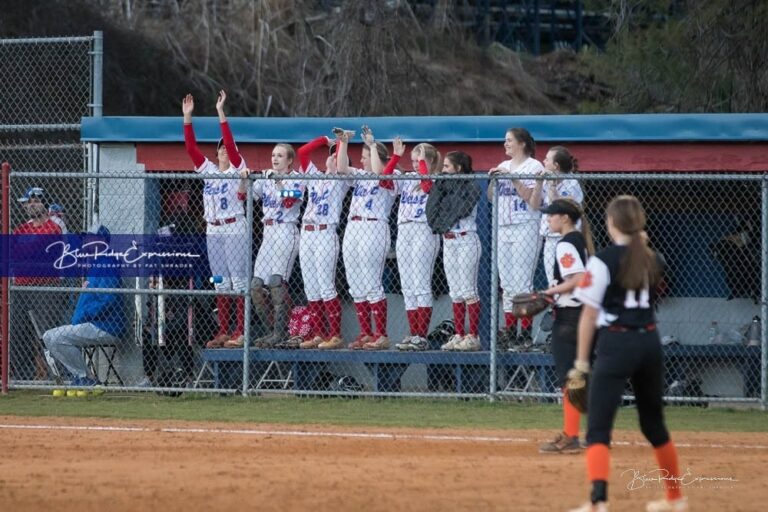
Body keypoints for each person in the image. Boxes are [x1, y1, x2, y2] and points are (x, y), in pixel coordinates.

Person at [569, 195, 686, 512]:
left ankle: (598, 501)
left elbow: (589, 316)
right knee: (654, 425)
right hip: (649, 343)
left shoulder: (603, 260)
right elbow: (640, 259)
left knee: (598, 427)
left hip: (617, 344)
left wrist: (580, 362)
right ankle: (675, 499)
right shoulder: (652, 258)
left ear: (611, 223)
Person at [182, 90, 248, 349]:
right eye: (219, 147)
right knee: (220, 281)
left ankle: (240, 331)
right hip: (213, 229)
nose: (223, 150)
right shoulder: (208, 170)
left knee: (238, 281)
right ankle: (224, 330)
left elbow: (232, 147)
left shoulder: (235, 168)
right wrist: (187, 118)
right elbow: (190, 148)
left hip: (233, 226)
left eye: (226, 148)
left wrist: (220, 112)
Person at [537, 198, 594, 454]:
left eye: (552, 215)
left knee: (569, 378)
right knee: (580, 377)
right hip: (581, 313)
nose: (548, 219)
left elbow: (578, 278)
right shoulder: (580, 240)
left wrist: (549, 292)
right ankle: (593, 434)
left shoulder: (566, 243)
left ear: (565, 218)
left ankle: (571, 436)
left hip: (570, 315)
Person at [234, 143, 304, 349]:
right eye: (273, 155)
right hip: (268, 232)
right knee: (255, 286)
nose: (275, 159)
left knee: (276, 282)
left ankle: (283, 332)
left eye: (280, 156)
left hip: (286, 230)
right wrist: (244, 178)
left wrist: (277, 181)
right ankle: (271, 330)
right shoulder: (266, 177)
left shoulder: (297, 177)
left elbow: (290, 201)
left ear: (289, 160)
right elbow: (242, 196)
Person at [375, 138, 440, 351]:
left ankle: (421, 335)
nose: (414, 165)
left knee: (421, 284)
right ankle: (413, 333)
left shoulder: (436, 176)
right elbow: (384, 180)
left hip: (424, 229)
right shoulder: (409, 177)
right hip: (404, 229)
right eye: (412, 161)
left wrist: (423, 164)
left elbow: (427, 185)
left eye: (418, 160)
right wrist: (396, 157)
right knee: (408, 286)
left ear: (429, 161)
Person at [336, 128, 398, 350]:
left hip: (374, 226)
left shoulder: (392, 174)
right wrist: (343, 143)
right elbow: (342, 168)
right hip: (353, 227)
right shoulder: (361, 176)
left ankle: (381, 334)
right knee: (355, 284)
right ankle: (366, 333)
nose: (362, 162)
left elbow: (382, 175)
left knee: (372, 282)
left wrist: (372, 145)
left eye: (366, 158)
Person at [42, 224, 126, 387]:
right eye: (85, 238)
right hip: (92, 324)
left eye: (90, 237)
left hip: (104, 326)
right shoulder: (95, 264)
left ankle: (85, 377)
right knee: (50, 336)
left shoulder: (107, 263)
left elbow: (109, 298)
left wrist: (86, 314)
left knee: (54, 336)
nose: (85, 241)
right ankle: (83, 377)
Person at [292, 131, 353, 350]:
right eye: (330, 155)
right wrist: (323, 141)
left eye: (335, 156)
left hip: (326, 232)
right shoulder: (315, 175)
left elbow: (341, 161)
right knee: (311, 287)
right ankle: (319, 333)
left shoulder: (341, 180)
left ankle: (335, 335)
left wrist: (341, 144)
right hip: (307, 233)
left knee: (326, 285)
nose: (332, 158)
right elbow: (301, 152)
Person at [488, 127, 545, 349]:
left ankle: (525, 333)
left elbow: (532, 199)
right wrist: (494, 180)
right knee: (507, 284)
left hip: (525, 226)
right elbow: (491, 198)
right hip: (503, 227)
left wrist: (513, 179)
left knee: (523, 282)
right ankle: (511, 331)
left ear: (522, 143)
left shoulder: (534, 166)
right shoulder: (503, 166)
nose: (505, 144)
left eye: (509, 140)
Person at [426, 151, 482, 351]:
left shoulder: (471, 184)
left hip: (466, 239)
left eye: (447, 167)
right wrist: (439, 223)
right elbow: (433, 208)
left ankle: (473, 335)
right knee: (455, 292)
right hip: (448, 241)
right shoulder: (441, 186)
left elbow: (458, 209)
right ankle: (459, 334)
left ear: (458, 168)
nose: (443, 171)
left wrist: (443, 219)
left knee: (468, 290)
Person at [10, 186, 63, 381]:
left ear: (45, 204)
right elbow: (13, 253)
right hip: (21, 287)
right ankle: (24, 378)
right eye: (29, 202)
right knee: (19, 331)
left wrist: (27, 251)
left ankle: (54, 376)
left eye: (36, 201)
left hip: (45, 287)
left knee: (46, 331)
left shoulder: (53, 227)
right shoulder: (21, 229)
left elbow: (44, 251)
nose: (32, 205)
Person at [532, 145, 584, 285]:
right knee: (553, 281)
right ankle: (556, 306)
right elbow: (535, 205)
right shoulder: (545, 182)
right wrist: (538, 184)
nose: (543, 161)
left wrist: (552, 186)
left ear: (555, 165)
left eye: (547, 159)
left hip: (566, 238)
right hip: (549, 239)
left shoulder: (572, 183)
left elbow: (559, 209)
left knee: (568, 280)